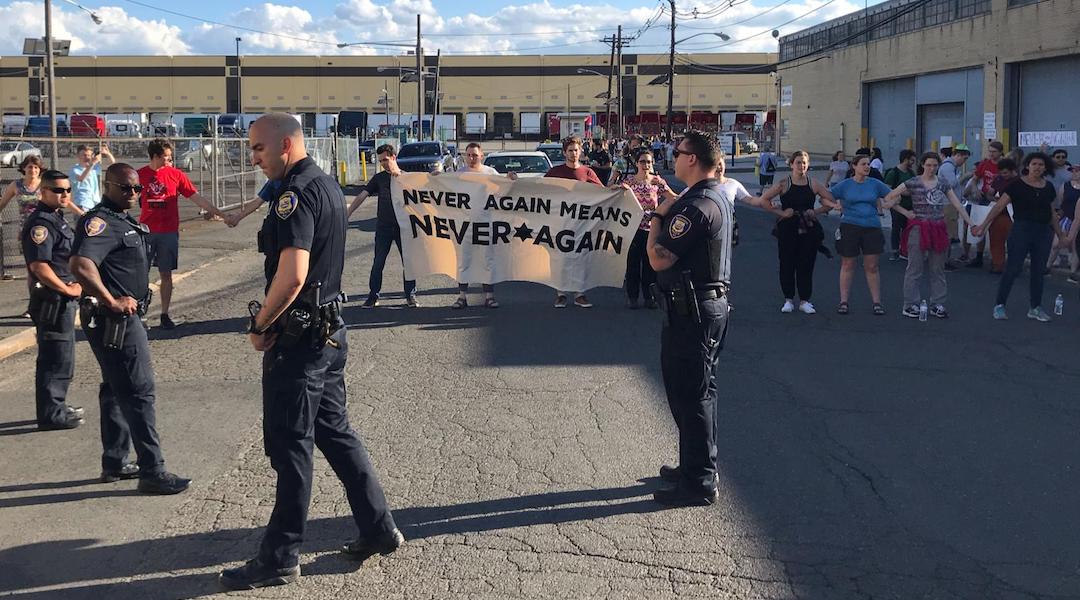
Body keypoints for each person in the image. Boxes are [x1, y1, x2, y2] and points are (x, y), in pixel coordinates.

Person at [220, 114, 401, 590]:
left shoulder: (293, 195)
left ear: (285, 144)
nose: (254, 158)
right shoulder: (324, 184)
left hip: (300, 342)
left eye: (258, 149)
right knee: (336, 434)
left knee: (290, 446)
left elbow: (294, 273)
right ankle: (378, 527)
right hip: (331, 333)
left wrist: (260, 325)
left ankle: (279, 557)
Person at [70, 163, 191, 492]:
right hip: (116, 320)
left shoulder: (122, 219)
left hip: (124, 317)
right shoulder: (100, 222)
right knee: (139, 392)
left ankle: (116, 461)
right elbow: (81, 265)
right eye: (125, 188)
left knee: (115, 388)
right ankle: (152, 470)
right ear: (106, 187)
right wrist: (112, 300)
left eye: (137, 189)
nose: (134, 194)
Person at [646, 130, 732, 507]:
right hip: (701, 306)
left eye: (678, 152)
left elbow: (660, 258)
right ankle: (697, 466)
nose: (674, 157)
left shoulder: (696, 205)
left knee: (690, 396)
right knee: (699, 394)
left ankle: (698, 483)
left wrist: (656, 219)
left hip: (693, 310)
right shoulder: (715, 197)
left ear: (693, 159)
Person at [138, 138, 229, 329]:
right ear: (154, 156)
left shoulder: (176, 175)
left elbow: (196, 197)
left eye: (170, 157)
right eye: (166, 157)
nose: (169, 160)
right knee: (140, 274)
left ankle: (164, 313)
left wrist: (220, 213)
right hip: (146, 232)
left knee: (166, 274)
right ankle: (139, 314)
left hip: (168, 232)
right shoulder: (139, 175)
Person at [22, 170, 84, 430]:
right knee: (54, 358)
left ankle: (56, 405)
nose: (65, 194)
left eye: (67, 190)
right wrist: (66, 289)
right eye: (58, 190)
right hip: (52, 299)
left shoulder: (56, 218)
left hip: (61, 298)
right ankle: (51, 416)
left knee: (63, 356)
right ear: (43, 192)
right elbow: (39, 266)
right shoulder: (41, 224)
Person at [971, 152, 1065, 322]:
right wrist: (983, 226)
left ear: (1045, 168)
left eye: (1041, 164)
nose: (1037, 167)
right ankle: (1000, 305)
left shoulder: (1049, 187)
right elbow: (999, 207)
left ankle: (1035, 307)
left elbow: (1051, 213)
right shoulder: (1016, 185)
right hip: (1021, 230)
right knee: (1013, 268)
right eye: (1034, 164)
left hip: (1043, 232)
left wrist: (1060, 235)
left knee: (1038, 271)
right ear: (1027, 166)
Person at [882, 153, 974, 319]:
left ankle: (937, 303)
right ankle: (910, 304)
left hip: (938, 227)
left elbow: (957, 204)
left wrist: (971, 223)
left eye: (934, 165)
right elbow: (888, 197)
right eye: (929, 165)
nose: (932, 169)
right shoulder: (913, 182)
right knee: (914, 267)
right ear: (922, 165)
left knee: (937, 268)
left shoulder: (943, 183)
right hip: (919, 227)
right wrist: (905, 212)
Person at [758, 150, 839, 315]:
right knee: (787, 262)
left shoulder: (813, 183)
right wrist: (781, 213)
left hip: (808, 227)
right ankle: (788, 299)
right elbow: (763, 200)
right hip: (788, 227)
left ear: (808, 165)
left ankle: (804, 300)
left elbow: (830, 201)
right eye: (798, 162)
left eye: (804, 163)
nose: (801, 166)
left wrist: (816, 212)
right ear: (791, 164)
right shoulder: (783, 183)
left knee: (806, 263)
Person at [347, 144, 418, 308]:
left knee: (408, 262)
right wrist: (348, 213)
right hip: (384, 228)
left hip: (403, 227)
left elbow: (424, 191)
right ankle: (373, 296)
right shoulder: (378, 178)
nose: (384, 164)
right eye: (380, 161)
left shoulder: (406, 177)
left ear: (393, 157)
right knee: (378, 262)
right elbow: (362, 195)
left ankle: (410, 295)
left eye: (386, 159)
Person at [544, 136, 603, 308]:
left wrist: (619, 190)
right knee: (560, 259)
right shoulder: (555, 172)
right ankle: (561, 294)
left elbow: (603, 192)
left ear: (580, 151)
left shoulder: (587, 172)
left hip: (581, 224)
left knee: (581, 258)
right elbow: (538, 189)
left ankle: (580, 294)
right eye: (570, 150)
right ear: (564, 152)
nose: (574, 153)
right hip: (559, 224)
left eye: (576, 150)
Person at [830, 155, 893, 315]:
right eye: (863, 164)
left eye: (869, 164)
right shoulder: (844, 185)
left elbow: (892, 195)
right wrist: (834, 205)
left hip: (871, 227)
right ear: (854, 166)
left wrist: (888, 204)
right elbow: (826, 197)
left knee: (872, 266)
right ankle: (843, 301)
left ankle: (877, 302)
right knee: (848, 264)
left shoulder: (875, 184)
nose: (867, 167)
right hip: (850, 226)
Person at [446, 142, 504, 309]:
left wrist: (511, 179)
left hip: (486, 223)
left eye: (475, 155)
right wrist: (435, 178)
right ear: (465, 156)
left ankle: (489, 297)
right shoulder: (459, 174)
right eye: (469, 155)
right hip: (464, 225)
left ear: (482, 156)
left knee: (488, 260)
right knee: (464, 260)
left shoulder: (490, 173)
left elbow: (505, 189)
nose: (471, 158)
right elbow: (444, 188)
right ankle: (462, 297)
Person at [621, 149, 676, 309]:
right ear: (637, 163)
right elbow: (615, 195)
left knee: (650, 265)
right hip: (632, 229)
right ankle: (632, 297)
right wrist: (621, 189)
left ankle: (649, 296)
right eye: (643, 162)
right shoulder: (629, 182)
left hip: (652, 230)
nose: (646, 165)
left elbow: (672, 197)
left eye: (649, 162)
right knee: (632, 264)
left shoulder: (657, 182)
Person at [1, 155, 45, 318]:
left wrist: (83, 214)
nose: (32, 170)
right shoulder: (16, 185)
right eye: (29, 167)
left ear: (40, 169)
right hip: (26, 231)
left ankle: (48, 303)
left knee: (47, 267)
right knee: (32, 270)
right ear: (24, 169)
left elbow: (64, 202)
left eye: (36, 167)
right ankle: (33, 306)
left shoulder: (45, 184)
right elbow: (2, 203)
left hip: (45, 230)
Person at [965, 141, 1004, 269]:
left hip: (999, 199)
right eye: (990, 151)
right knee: (981, 226)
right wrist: (975, 189)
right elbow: (975, 179)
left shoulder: (1004, 165)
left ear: (1000, 152)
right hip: (985, 198)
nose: (991, 154)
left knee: (997, 230)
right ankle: (979, 256)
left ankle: (997, 259)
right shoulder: (984, 164)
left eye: (994, 152)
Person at [937, 143, 973, 268]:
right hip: (948, 204)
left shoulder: (952, 167)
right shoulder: (948, 167)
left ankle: (944, 259)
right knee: (948, 233)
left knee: (949, 232)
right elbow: (951, 184)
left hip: (952, 204)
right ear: (957, 155)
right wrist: (965, 177)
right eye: (964, 159)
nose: (964, 162)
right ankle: (943, 261)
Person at [986, 157, 1018, 274]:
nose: (1003, 175)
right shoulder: (998, 179)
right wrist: (994, 198)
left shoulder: (1018, 181)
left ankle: (1014, 266)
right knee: (996, 240)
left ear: (1012, 171)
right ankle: (998, 264)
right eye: (1001, 173)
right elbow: (990, 193)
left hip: (1013, 215)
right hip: (999, 213)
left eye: (1005, 173)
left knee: (1013, 242)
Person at [883, 150, 917, 261]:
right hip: (897, 205)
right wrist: (901, 192)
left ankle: (904, 250)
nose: (913, 162)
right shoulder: (894, 173)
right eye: (911, 160)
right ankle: (895, 251)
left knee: (908, 228)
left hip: (910, 205)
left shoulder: (911, 173)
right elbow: (886, 190)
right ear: (906, 159)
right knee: (896, 227)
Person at [1047, 164, 1079, 280]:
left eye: (1077, 170)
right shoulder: (1065, 186)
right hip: (1066, 218)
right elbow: (1061, 202)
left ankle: (1073, 273)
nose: (1074, 173)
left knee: (1076, 247)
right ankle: (1047, 266)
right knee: (1056, 244)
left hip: (1078, 220)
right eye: (1073, 170)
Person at [71, 143, 115, 213]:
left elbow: (112, 163)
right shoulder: (75, 169)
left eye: (89, 155)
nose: (87, 157)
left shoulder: (94, 168)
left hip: (94, 202)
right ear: (78, 156)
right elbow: (81, 178)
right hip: (82, 203)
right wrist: (92, 164)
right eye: (84, 155)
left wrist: (107, 153)